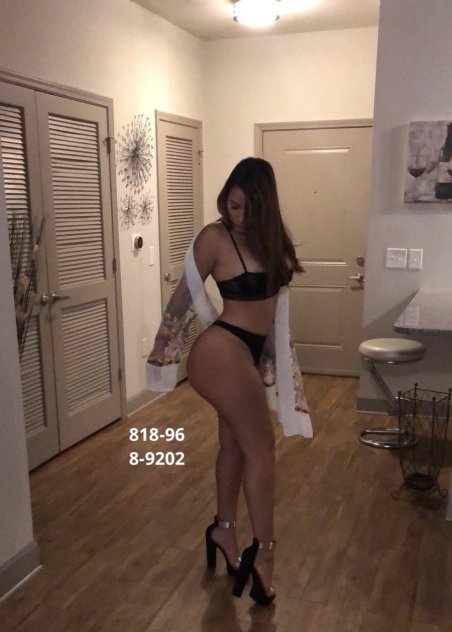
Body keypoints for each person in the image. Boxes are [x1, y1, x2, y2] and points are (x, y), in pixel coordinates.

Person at [147, 157, 312, 606]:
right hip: (221, 351)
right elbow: (181, 299)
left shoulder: (273, 239)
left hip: (249, 353)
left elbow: (276, 309)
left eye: (246, 208)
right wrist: (162, 358)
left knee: (235, 446)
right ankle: (265, 556)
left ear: (265, 206)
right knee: (262, 449)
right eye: (232, 205)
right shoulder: (214, 238)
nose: (237, 216)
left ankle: (223, 530)